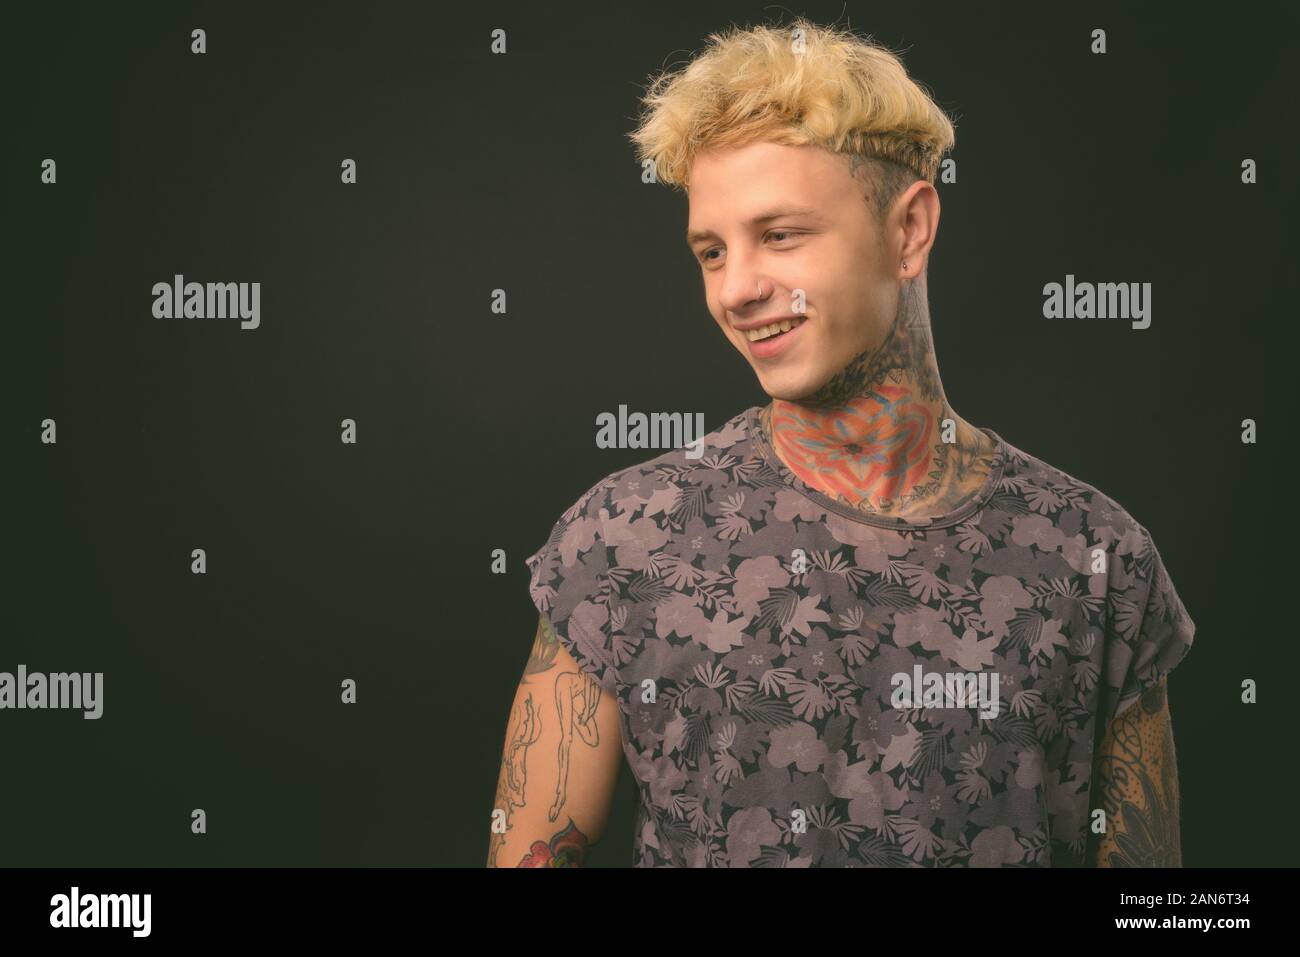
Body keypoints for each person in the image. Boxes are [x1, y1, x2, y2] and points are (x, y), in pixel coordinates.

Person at [487, 17, 1195, 868]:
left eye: (780, 235)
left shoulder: (1097, 558)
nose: (738, 288)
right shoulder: (621, 539)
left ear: (909, 231)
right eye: (711, 251)